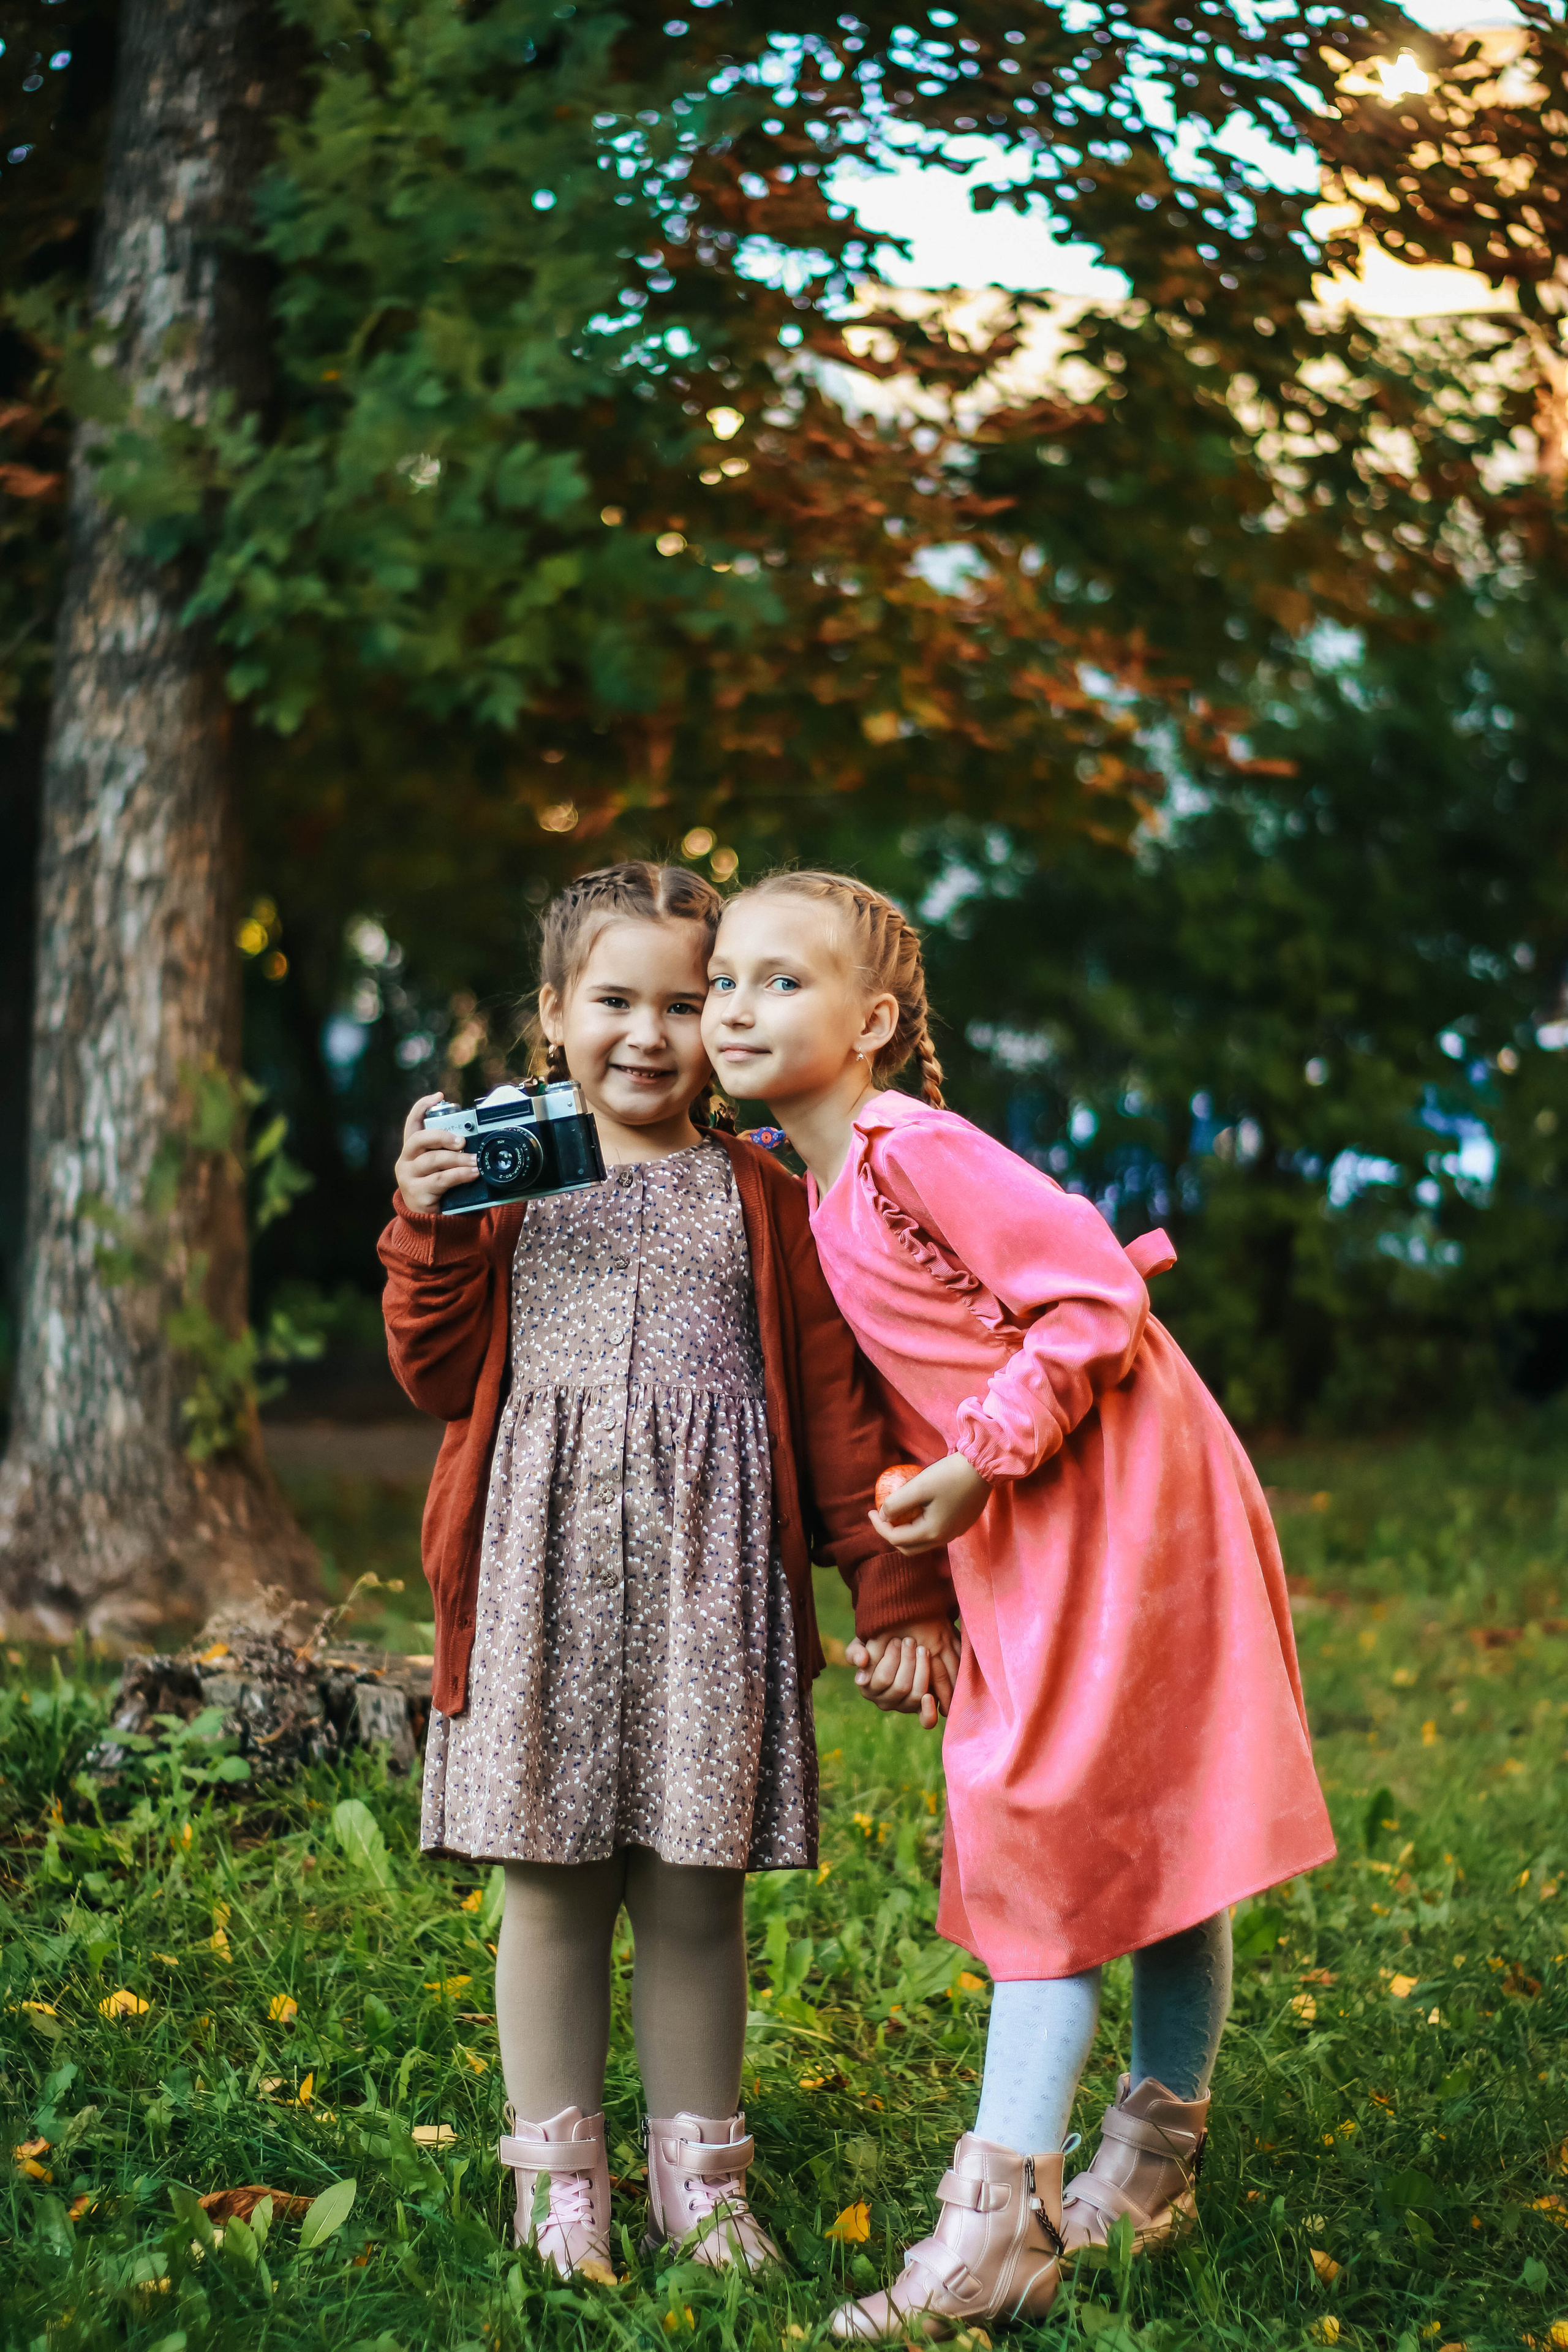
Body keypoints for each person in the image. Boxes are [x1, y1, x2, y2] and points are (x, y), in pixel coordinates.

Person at [703, 870, 1336, 2342]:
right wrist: (924, 1553)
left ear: (868, 1023)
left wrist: (980, 1461)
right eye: (723, 977)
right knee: (1107, 1817)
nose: (736, 1003)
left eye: (780, 981)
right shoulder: (817, 1178)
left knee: (1054, 1819)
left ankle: (1001, 2230)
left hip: (1119, 1495)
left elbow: (1092, 1301)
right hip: (1045, 1513)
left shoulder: (906, 1143)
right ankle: (1142, 2166)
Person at [379, 861, 952, 2282]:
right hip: (539, 1582)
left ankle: (701, 2181)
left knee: (696, 1894)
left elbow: (838, 1415)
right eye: (612, 1001)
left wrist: (891, 1593)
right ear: (552, 1014)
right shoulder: (508, 1181)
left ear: (730, 1026)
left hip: (712, 1594)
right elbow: (434, 1372)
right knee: (552, 1888)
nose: (647, 1033)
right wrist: (424, 1225)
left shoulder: (766, 1192)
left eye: (685, 1003)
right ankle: (556, 2176)